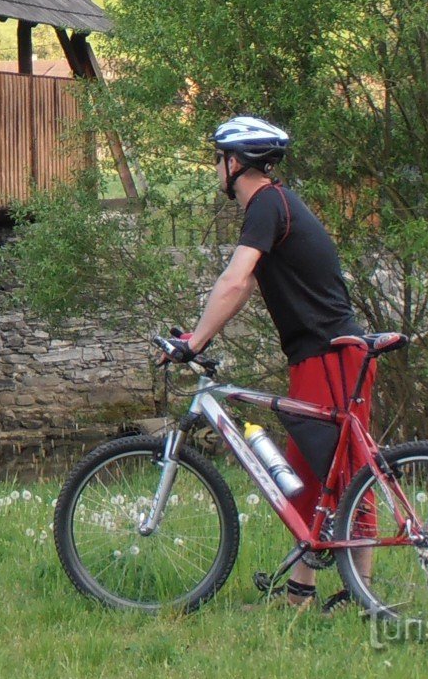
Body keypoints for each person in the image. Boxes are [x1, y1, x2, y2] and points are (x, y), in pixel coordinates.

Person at [160, 115, 373, 608]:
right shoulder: (275, 206)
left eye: (218, 158)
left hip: (331, 355)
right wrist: (200, 333)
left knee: (346, 476)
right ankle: (300, 594)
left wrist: (195, 345)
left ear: (236, 163)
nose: (216, 167)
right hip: (318, 356)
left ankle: (363, 596)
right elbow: (245, 286)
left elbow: (236, 280)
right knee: (306, 478)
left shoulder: (266, 204)